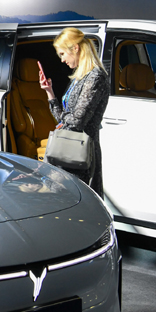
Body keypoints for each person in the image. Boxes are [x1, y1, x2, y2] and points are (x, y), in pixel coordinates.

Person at [38, 27, 109, 197]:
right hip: (69, 150)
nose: (62, 60)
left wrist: (64, 122)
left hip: (80, 154)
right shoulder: (80, 78)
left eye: (62, 54)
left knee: (79, 202)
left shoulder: (95, 77)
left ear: (75, 48)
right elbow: (63, 119)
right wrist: (49, 92)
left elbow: (77, 121)